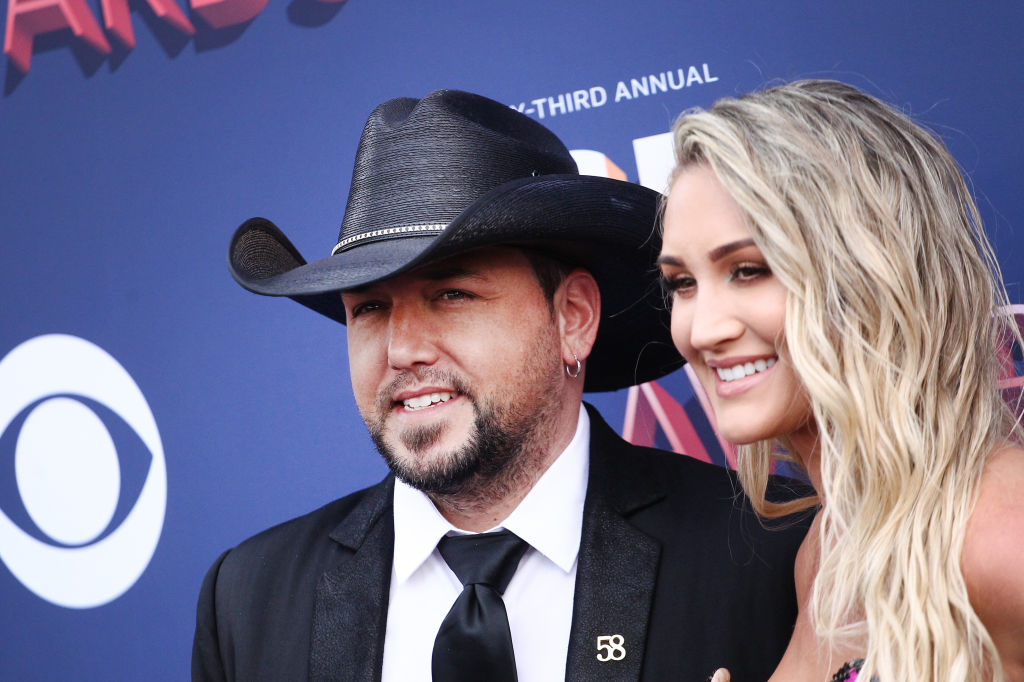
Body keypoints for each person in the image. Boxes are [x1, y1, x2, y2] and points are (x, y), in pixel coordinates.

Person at [191, 89, 807, 682]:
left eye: (452, 295)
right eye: (370, 309)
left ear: (573, 318)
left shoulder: (777, 551)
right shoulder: (248, 601)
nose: (401, 350)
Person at [658, 79, 1024, 682]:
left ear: (869, 273)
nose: (703, 329)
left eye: (748, 270)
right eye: (682, 284)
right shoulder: (823, 550)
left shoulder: (998, 532)